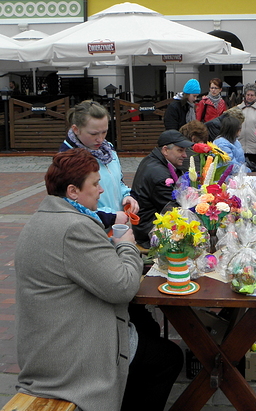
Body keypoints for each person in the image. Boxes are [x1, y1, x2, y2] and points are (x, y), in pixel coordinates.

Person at [15, 148, 183, 411]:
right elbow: (123, 287)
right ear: (73, 191)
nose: (101, 190)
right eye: (95, 184)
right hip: (68, 353)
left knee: (146, 326)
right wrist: (126, 245)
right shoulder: (74, 228)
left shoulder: (48, 216)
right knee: (168, 358)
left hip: (51, 338)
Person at [60, 100, 138, 228]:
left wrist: (128, 196)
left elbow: (118, 182)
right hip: (91, 231)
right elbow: (69, 204)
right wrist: (111, 218)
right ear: (76, 129)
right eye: (94, 134)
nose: (100, 139)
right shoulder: (67, 158)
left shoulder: (108, 149)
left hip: (115, 228)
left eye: (104, 132)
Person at [130, 129, 193, 249]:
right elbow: (174, 209)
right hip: (149, 231)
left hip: (145, 224)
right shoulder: (160, 175)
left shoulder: (155, 159)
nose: (185, 155)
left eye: (184, 151)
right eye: (180, 150)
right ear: (165, 150)